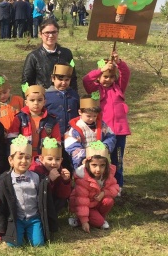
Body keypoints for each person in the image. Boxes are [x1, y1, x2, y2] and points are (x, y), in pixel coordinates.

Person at [82, 53, 131, 190]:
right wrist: (101, 70)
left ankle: (117, 185)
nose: (108, 80)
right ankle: (95, 184)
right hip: (102, 131)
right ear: (99, 77)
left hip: (119, 132)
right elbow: (86, 80)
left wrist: (119, 62)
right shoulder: (95, 90)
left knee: (117, 160)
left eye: (111, 77)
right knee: (98, 159)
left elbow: (126, 73)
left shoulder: (118, 88)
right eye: (105, 76)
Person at [0, 136, 52, 247]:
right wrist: (1, 226)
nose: (24, 161)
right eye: (20, 157)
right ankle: (22, 233)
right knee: (13, 245)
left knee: (38, 244)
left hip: (33, 218)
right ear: (11, 160)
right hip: (17, 218)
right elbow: (2, 205)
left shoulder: (37, 178)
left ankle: (31, 232)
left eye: (27, 158)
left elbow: (44, 199)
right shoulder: (5, 180)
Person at [69, 142, 120, 231]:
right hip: (86, 205)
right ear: (87, 164)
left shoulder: (108, 174)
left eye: (102, 165)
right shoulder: (83, 179)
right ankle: (79, 219)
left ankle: (100, 218)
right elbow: (81, 202)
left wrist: (104, 193)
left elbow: (115, 188)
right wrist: (84, 221)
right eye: (94, 165)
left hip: (96, 203)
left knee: (108, 200)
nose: (98, 169)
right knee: (98, 222)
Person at [64, 93, 116, 174]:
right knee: (84, 178)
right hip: (83, 161)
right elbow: (72, 146)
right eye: (88, 116)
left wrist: (105, 146)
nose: (92, 119)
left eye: (94, 116)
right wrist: (83, 158)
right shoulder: (75, 129)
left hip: (100, 159)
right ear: (80, 112)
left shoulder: (102, 126)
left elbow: (111, 136)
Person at [22, 18, 78, 92]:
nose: (51, 35)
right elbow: (25, 82)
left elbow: (73, 78)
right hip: (43, 97)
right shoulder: (33, 56)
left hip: (64, 96)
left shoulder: (67, 53)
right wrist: (30, 97)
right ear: (40, 34)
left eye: (54, 32)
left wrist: (74, 96)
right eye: (47, 33)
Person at [29, 138, 71, 232]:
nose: (54, 163)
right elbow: (36, 193)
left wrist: (65, 181)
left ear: (61, 160)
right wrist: (48, 180)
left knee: (61, 200)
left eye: (57, 159)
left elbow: (63, 195)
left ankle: (50, 217)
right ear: (41, 159)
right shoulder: (35, 169)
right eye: (49, 159)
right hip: (36, 203)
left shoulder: (60, 169)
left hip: (51, 199)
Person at [16, 84, 61, 158]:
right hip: (24, 156)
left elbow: (56, 140)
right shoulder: (20, 118)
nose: (36, 103)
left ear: (44, 102)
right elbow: (12, 138)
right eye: (32, 100)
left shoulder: (51, 120)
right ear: (26, 102)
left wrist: (54, 157)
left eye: (39, 100)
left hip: (44, 157)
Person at [0, 75, 24, 149]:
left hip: (20, 136)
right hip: (3, 138)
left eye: (4, 92)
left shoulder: (19, 100)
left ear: (9, 89)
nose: (2, 96)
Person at [45, 62, 80, 136]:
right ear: (53, 78)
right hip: (52, 134)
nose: (63, 83)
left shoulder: (74, 95)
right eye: (60, 79)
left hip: (71, 133)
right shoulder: (46, 96)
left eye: (67, 80)